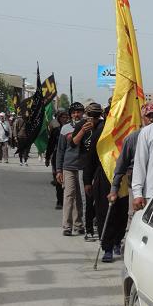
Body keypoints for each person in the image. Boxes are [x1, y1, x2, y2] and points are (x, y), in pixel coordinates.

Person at [83, 104, 128, 262]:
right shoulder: (100, 132)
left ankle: (117, 241)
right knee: (104, 213)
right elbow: (91, 158)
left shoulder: (127, 132)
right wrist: (87, 181)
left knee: (121, 214)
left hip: (123, 179)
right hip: (103, 177)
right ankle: (107, 247)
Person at [107, 103, 153, 218]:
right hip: (136, 186)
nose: (151, 119)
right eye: (148, 116)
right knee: (135, 216)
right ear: (142, 117)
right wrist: (114, 189)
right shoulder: (132, 138)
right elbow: (121, 166)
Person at [72, 102, 103, 241]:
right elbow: (73, 143)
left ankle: (100, 227)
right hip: (84, 167)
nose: (93, 119)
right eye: (90, 115)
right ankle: (88, 229)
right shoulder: (81, 125)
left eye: (96, 116)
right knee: (87, 200)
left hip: (100, 167)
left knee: (100, 198)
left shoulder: (103, 126)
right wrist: (82, 131)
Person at [57, 102, 85, 236]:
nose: (76, 114)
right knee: (69, 196)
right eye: (74, 112)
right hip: (68, 167)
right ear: (70, 114)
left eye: (78, 112)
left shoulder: (87, 127)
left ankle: (78, 224)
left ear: (83, 113)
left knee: (80, 197)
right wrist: (58, 170)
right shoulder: (65, 129)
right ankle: (67, 226)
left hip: (83, 167)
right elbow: (60, 150)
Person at [46, 109, 69, 210]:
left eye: (66, 117)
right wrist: (47, 158)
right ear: (59, 119)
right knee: (59, 180)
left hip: (69, 158)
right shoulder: (56, 131)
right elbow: (50, 145)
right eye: (63, 117)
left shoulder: (71, 129)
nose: (65, 119)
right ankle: (60, 201)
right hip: (57, 157)